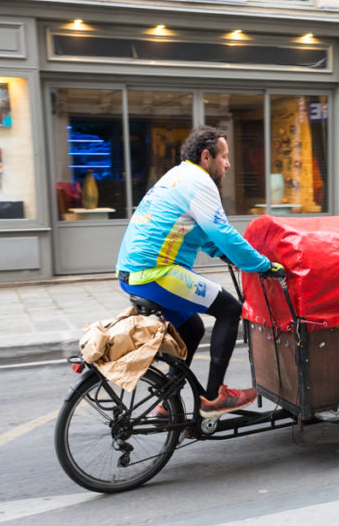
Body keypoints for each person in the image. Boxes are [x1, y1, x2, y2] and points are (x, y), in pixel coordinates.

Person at [115, 125, 282, 418]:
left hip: (131, 273)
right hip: (156, 273)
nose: (228, 164)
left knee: (192, 329)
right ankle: (214, 398)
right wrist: (262, 265)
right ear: (206, 156)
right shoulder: (201, 182)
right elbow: (221, 231)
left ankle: (168, 403)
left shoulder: (178, 175)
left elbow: (197, 230)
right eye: (224, 157)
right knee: (230, 309)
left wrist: (224, 253)